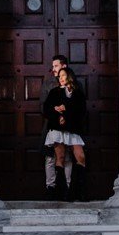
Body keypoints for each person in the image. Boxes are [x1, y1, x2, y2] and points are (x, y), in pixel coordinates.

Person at [42, 64, 89, 202]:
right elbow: (47, 109)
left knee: (80, 157)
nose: (60, 78)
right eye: (59, 76)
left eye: (63, 75)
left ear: (69, 76)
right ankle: (61, 193)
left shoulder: (78, 93)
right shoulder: (54, 92)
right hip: (57, 129)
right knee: (60, 158)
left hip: (73, 129)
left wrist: (65, 112)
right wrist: (58, 113)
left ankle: (79, 192)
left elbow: (80, 111)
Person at [42, 55, 69, 199]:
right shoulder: (48, 84)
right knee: (50, 157)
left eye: (56, 66)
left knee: (68, 156)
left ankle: (68, 187)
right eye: (52, 66)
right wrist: (55, 112)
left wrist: (66, 112)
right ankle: (50, 188)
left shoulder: (75, 84)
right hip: (51, 125)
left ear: (64, 66)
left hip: (70, 125)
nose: (53, 69)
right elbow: (43, 106)